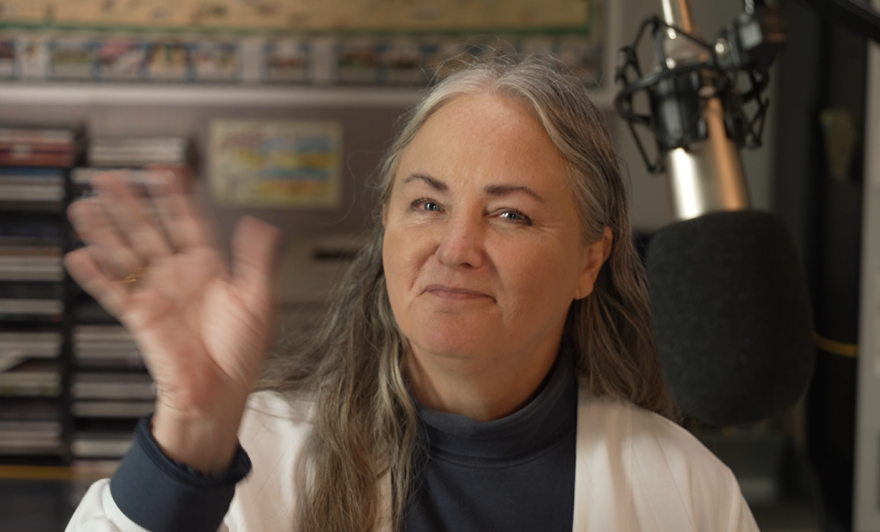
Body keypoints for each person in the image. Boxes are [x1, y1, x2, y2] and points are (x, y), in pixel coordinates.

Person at [65, 54, 758, 532]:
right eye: (427, 205)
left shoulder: (686, 489)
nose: (455, 248)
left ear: (590, 260)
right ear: (387, 229)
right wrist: (187, 435)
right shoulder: (249, 454)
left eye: (509, 214)